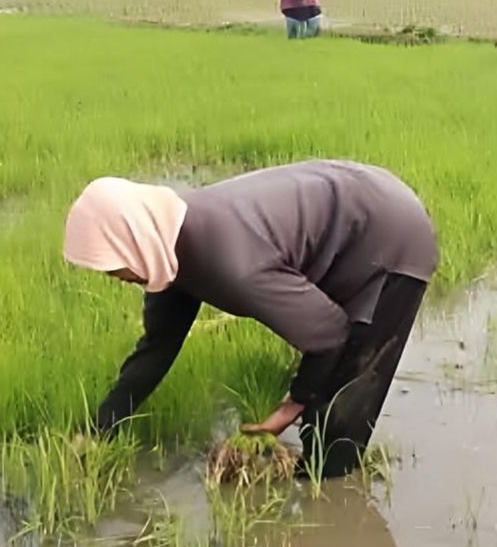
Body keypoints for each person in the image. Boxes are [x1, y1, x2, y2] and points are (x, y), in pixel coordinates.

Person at [62, 160, 438, 479]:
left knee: (336, 432)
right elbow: (156, 349)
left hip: (390, 236)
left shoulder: (229, 264)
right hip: (355, 204)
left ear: (133, 239)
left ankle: (334, 517)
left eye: (114, 267)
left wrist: (292, 405)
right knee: (325, 381)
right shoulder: (165, 248)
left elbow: (328, 334)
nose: (117, 279)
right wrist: (100, 429)